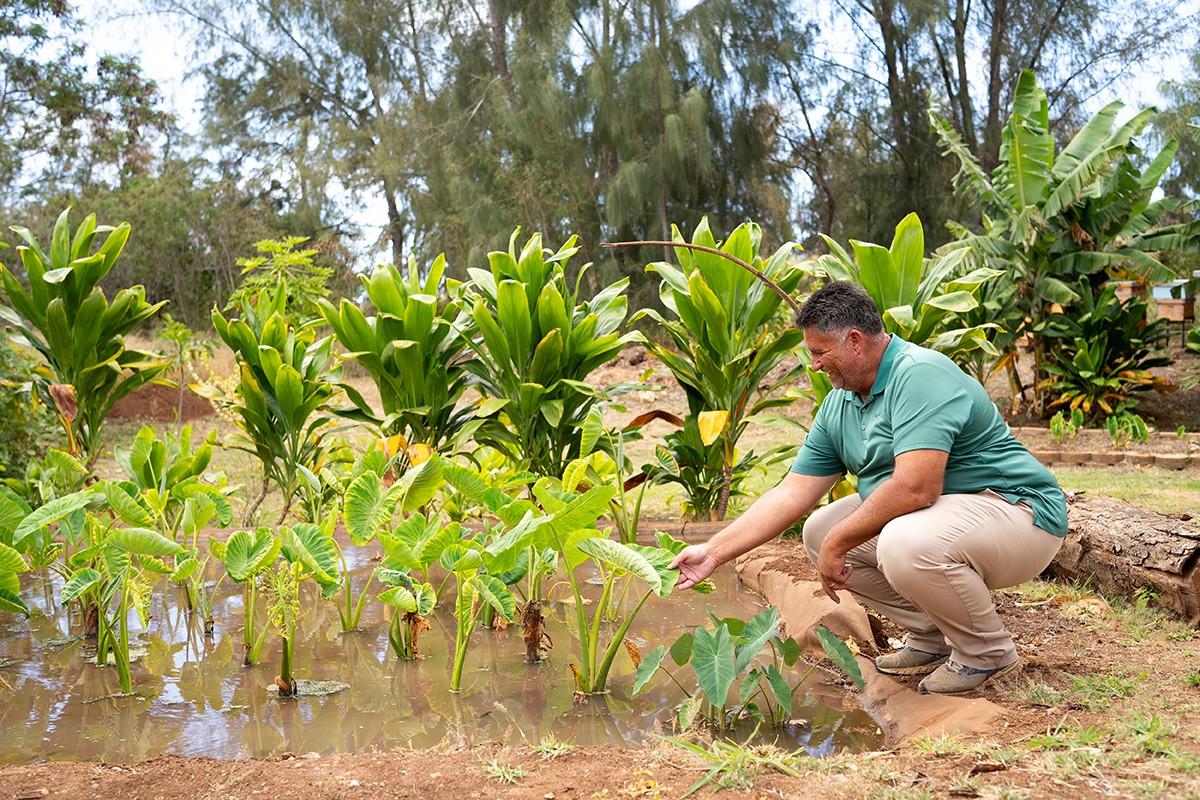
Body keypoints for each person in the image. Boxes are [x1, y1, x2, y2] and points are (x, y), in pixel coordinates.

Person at [669, 281, 1068, 695]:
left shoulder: (919, 375)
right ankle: (930, 638)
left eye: (819, 353)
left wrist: (839, 543)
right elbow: (792, 493)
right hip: (951, 519)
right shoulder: (840, 404)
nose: (815, 366)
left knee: (898, 541)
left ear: (855, 341)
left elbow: (916, 488)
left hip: (1017, 514)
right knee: (818, 529)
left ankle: (987, 652)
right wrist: (713, 553)